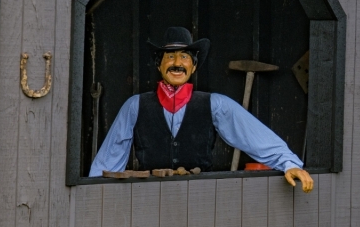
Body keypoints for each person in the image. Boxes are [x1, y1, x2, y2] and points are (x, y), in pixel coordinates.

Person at [89, 27, 314, 192]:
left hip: (201, 196)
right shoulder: (135, 106)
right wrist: (92, 194)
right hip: (148, 198)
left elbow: (258, 138)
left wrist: (289, 165)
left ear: (194, 66)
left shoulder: (215, 104)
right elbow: (106, 163)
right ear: (159, 65)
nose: (177, 62)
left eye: (185, 56)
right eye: (170, 56)